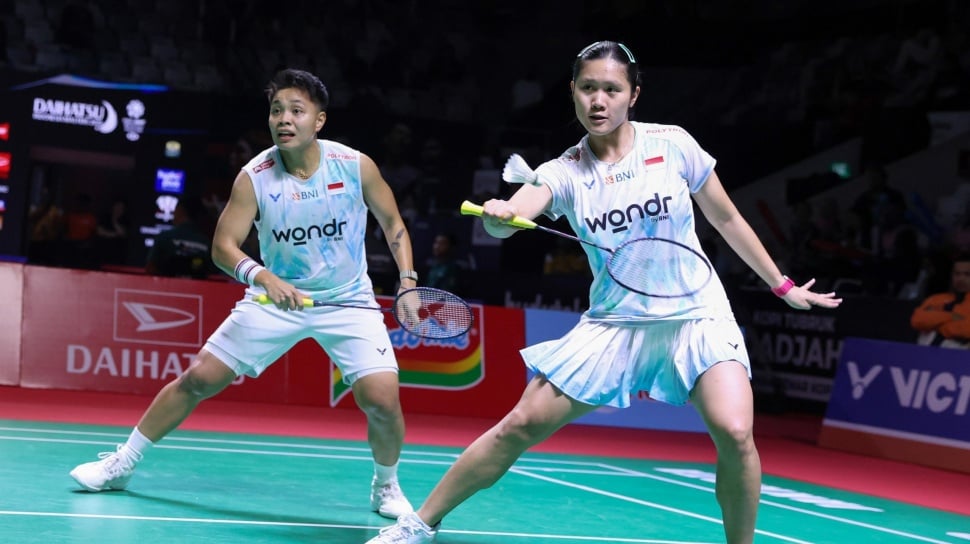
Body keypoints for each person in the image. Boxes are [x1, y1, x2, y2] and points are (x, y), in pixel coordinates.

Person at [366, 41, 843, 544]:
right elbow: (519, 209)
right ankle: (419, 524)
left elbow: (725, 217)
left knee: (736, 432)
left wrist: (781, 284)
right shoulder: (564, 170)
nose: (599, 100)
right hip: (616, 323)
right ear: (573, 91)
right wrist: (502, 216)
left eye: (612, 90)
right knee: (520, 424)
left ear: (633, 95)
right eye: (588, 88)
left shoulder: (673, 144)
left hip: (696, 313)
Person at [70, 68, 419, 520]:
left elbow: (393, 223)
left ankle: (386, 486)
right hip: (276, 297)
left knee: (383, 400)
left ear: (319, 120)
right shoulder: (254, 177)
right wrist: (262, 277)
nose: (284, 119)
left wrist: (407, 281)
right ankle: (122, 463)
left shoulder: (354, 166)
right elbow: (223, 247)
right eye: (276, 110)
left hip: (347, 299)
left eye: (297, 111)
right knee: (199, 378)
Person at [910, 252, 970, 348]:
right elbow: (917, 320)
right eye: (957, 274)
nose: (961, 279)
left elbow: (966, 329)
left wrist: (938, 327)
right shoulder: (937, 299)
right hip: (928, 349)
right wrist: (951, 316)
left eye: (967, 274)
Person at [144, 197, 213, 278]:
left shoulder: (164, 237)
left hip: (166, 285)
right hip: (200, 286)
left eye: (175, 210)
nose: (173, 214)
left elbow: (150, 269)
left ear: (180, 211)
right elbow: (212, 272)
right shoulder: (206, 242)